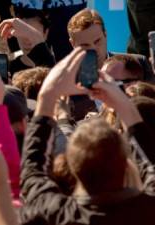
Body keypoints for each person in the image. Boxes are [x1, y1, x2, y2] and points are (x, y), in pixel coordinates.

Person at [19, 47, 155, 225]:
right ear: (127, 163)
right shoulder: (149, 210)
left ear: (72, 168)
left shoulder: (58, 214)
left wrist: (47, 96)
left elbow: (32, 173)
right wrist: (122, 103)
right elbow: (151, 160)